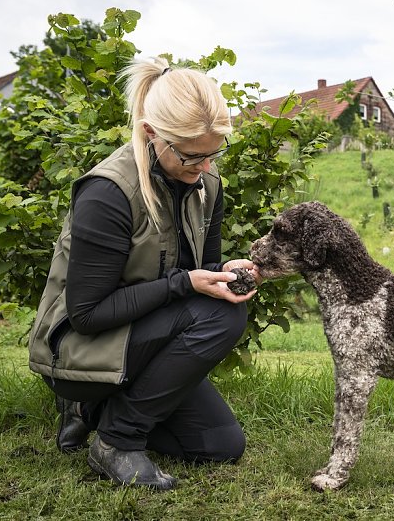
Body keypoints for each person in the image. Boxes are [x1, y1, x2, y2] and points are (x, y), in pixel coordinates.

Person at [28, 56, 259, 490]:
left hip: (141, 338)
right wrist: (185, 283)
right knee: (225, 317)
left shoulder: (207, 184)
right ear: (152, 134)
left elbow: (197, 271)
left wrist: (222, 272)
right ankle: (116, 440)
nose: (206, 169)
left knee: (220, 446)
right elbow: (87, 315)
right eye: (193, 156)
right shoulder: (108, 193)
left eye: (214, 154)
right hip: (81, 347)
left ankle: (93, 412)